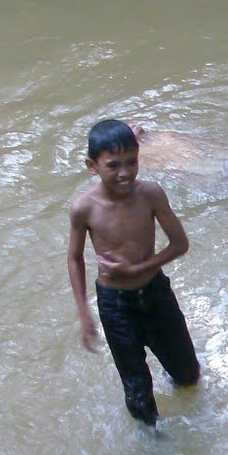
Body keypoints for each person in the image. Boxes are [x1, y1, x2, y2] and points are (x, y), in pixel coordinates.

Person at [67, 118, 200, 426]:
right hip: (116, 305)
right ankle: (153, 447)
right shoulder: (84, 208)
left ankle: (190, 425)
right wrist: (84, 313)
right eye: (113, 165)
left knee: (188, 375)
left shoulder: (151, 194)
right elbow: (74, 259)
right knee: (137, 392)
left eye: (132, 162)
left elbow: (180, 244)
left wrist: (139, 267)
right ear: (92, 166)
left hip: (156, 292)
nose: (125, 173)